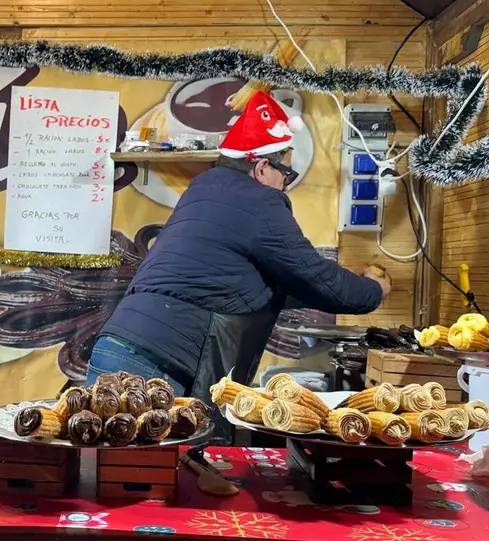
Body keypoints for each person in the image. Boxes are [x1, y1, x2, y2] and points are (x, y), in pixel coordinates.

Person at [86, 90, 390, 401]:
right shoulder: (260, 202)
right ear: (261, 169)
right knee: (148, 450)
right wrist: (373, 290)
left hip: (117, 344)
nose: (286, 184)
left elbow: (259, 281)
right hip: (161, 363)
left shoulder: (202, 191)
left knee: (102, 447)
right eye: (287, 173)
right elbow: (315, 276)